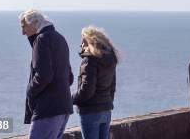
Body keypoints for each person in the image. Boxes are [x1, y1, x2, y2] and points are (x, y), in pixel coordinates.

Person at [20, 9, 74, 139]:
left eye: (24, 27)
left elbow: (44, 75)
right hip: (63, 106)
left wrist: (30, 91)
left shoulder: (41, 40)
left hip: (48, 109)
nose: (23, 32)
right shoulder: (60, 38)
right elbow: (70, 77)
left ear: (34, 24)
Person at [72, 26, 119, 139]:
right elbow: (112, 86)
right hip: (106, 110)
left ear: (90, 42)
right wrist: (106, 103)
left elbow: (87, 90)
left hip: (90, 112)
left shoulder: (89, 60)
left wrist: (70, 99)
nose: (80, 45)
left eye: (82, 41)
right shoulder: (110, 59)